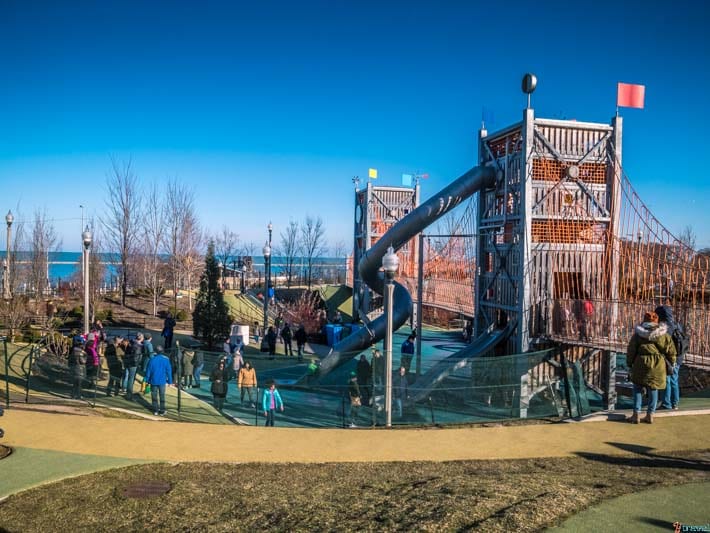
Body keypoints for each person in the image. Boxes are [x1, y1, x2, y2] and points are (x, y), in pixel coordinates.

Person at [626, 311, 676, 424]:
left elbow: (631, 350)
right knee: (653, 389)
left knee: (638, 388)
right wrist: (672, 363)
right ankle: (650, 414)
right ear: (656, 321)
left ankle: (636, 414)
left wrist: (629, 364)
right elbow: (671, 351)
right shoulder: (664, 335)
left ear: (644, 320)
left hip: (641, 362)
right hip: (658, 364)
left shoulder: (638, 335)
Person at [656, 304, 686, 410]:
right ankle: (675, 403)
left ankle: (666, 403)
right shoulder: (677, 325)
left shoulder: (665, 328)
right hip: (679, 357)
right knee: (674, 380)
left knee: (667, 379)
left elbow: (664, 345)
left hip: (669, 358)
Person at [145, 346, 172, 416]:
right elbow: (169, 371)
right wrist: (170, 381)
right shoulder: (166, 360)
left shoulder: (152, 360)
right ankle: (162, 410)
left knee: (154, 395)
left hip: (153, 380)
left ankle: (155, 410)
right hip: (162, 381)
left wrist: (147, 380)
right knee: (162, 395)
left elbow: (148, 371)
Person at [123, 333, 143, 400]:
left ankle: (126, 390)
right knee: (131, 379)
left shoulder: (131, 343)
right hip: (133, 364)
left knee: (129, 377)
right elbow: (136, 357)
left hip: (128, 362)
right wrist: (137, 363)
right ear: (141, 338)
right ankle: (129, 394)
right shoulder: (137, 346)